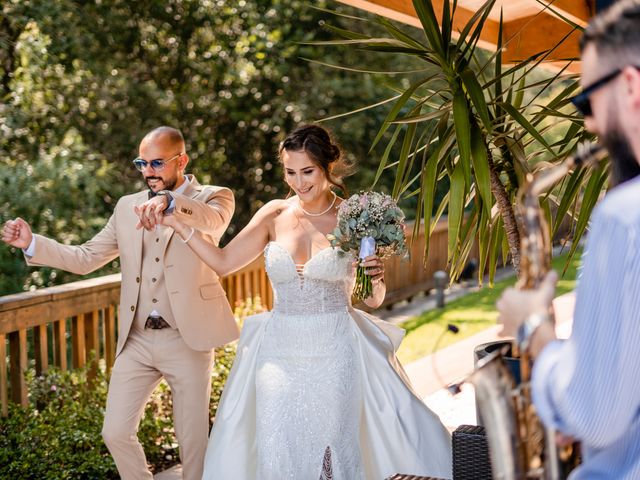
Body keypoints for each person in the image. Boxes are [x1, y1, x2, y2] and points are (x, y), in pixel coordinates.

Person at [157, 124, 453, 480]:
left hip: (335, 347)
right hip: (278, 351)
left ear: (329, 166)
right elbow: (222, 262)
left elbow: (373, 300)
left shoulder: (356, 218)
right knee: (277, 441)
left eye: (307, 171)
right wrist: (178, 224)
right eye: (290, 172)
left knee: (332, 444)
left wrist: (373, 274)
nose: (299, 182)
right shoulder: (274, 214)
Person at [1, 126, 239, 480]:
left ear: (182, 160)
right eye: (142, 163)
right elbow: (85, 258)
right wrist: (33, 242)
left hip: (187, 338)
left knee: (193, 443)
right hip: (138, 339)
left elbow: (213, 222)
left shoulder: (214, 197)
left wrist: (170, 203)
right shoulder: (127, 206)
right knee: (114, 432)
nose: (148, 172)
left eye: (157, 162)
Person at [496, 1, 640, 478]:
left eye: (586, 102)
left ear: (630, 86)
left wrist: (532, 325)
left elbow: (594, 414)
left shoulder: (626, 215)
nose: (590, 124)